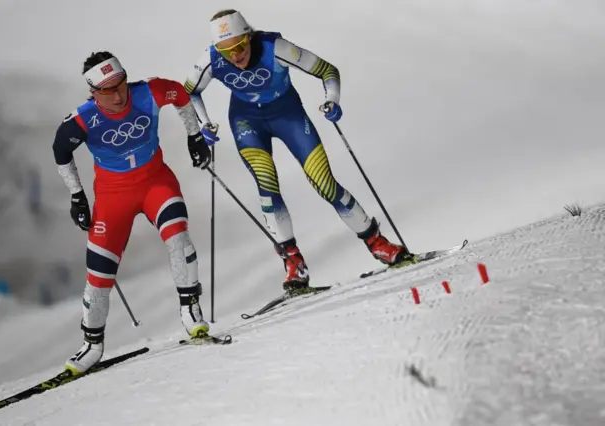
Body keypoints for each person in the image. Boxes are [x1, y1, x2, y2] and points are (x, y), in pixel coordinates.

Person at [183, 10, 415, 291]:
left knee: (324, 182)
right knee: (266, 185)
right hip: (246, 121)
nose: (234, 56)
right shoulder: (210, 60)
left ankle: (377, 242)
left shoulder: (275, 48)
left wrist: (332, 100)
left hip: (288, 114)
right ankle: (293, 263)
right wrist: (203, 124)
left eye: (240, 46)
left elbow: (327, 71)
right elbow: (189, 93)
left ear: (250, 36)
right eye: (225, 50)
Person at [52, 51, 212, 375]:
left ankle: (191, 311)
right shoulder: (83, 119)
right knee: (98, 278)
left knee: (179, 238)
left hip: (156, 183)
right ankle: (92, 346)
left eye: (121, 83)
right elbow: (60, 150)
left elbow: (181, 94)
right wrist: (77, 198)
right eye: (108, 90)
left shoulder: (147, 92)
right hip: (113, 198)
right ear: (93, 93)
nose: (118, 94)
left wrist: (194, 136)